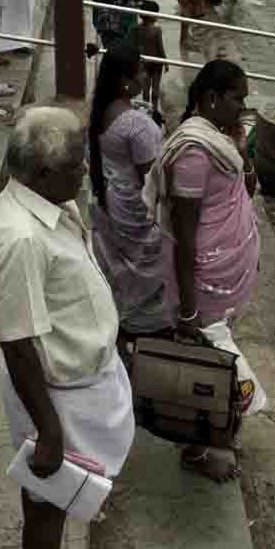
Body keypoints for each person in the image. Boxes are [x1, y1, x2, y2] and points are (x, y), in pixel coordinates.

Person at [0, 106, 133, 549]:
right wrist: (47, 428)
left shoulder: (52, 201)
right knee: (46, 493)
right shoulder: (20, 237)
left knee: (60, 489)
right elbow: (18, 341)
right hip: (52, 390)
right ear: (41, 174)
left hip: (77, 380)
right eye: (74, 166)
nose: (84, 174)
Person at [151, 59, 265, 483]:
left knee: (210, 361)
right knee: (208, 365)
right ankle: (197, 449)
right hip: (202, 280)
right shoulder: (194, 154)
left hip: (224, 277)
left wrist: (240, 147)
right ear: (211, 98)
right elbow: (182, 235)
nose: (244, 107)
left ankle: (207, 438)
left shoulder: (219, 140)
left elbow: (248, 188)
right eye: (238, 99)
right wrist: (186, 308)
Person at [86, 41, 167, 340]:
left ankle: (125, 314)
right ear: (124, 81)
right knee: (153, 258)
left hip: (112, 201)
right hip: (135, 205)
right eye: (141, 72)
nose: (146, 77)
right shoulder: (136, 125)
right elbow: (152, 181)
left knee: (123, 263)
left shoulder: (102, 112)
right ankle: (148, 321)